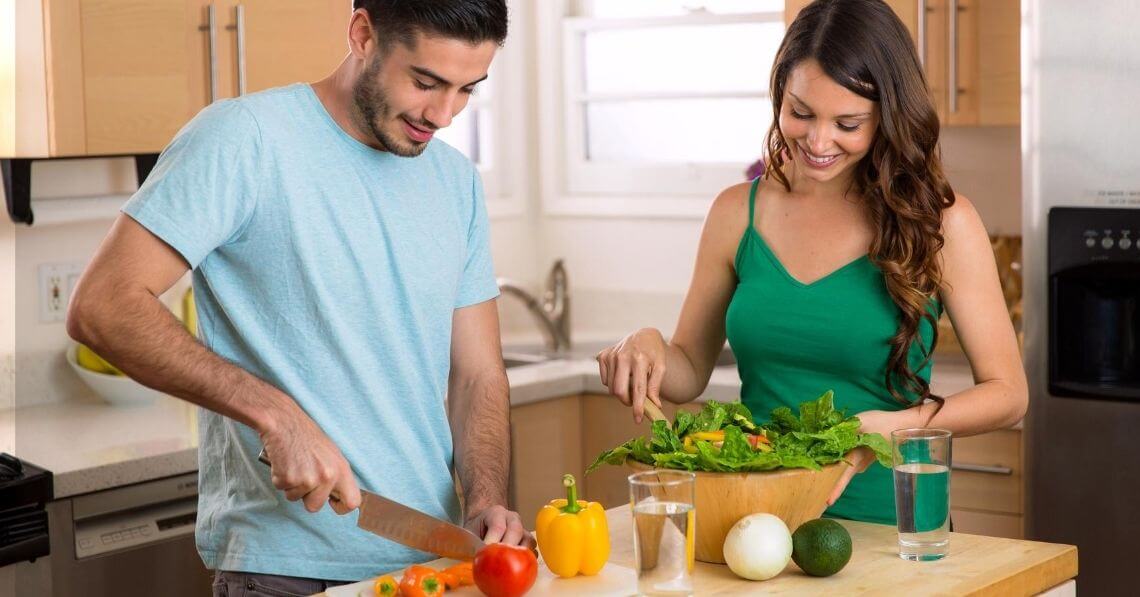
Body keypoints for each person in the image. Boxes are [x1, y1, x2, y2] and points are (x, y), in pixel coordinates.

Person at [66, 1, 533, 593]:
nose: (443, 114)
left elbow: (477, 374)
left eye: (468, 89)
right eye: (425, 81)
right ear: (363, 34)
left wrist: (485, 501)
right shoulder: (244, 139)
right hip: (287, 570)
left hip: (431, 563)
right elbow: (103, 304)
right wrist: (275, 414)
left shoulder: (455, 181)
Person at [595, 0, 1027, 525]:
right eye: (801, 113)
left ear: (887, 116)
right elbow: (687, 371)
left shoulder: (941, 222)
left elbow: (1008, 395)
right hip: (757, 520)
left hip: (893, 525)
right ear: (780, 95)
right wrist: (646, 346)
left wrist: (895, 427)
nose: (819, 141)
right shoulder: (737, 213)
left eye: (848, 123)